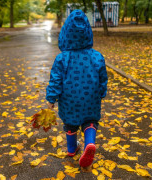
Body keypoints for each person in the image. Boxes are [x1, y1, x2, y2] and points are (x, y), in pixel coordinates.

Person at [46, 9, 108, 168]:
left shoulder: (62, 58)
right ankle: (89, 144)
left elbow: (56, 80)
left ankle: (72, 149)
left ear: (65, 33)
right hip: (91, 99)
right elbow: (102, 78)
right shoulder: (97, 56)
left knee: (70, 124)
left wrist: (51, 98)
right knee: (90, 122)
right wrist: (102, 92)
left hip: (69, 101)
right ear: (88, 33)